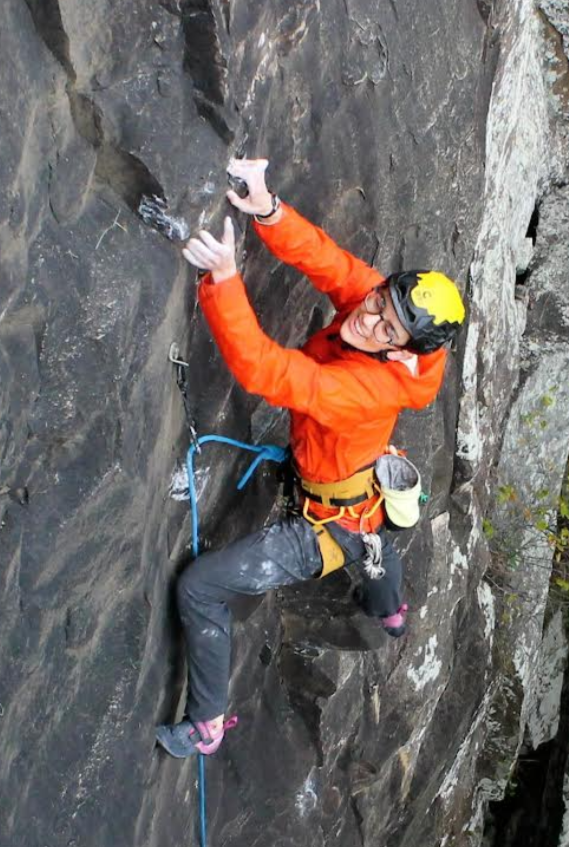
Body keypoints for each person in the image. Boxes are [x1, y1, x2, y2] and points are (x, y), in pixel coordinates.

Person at [156, 158, 466, 758]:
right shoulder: (387, 318)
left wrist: (223, 279)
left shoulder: (367, 388)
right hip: (357, 493)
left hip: (323, 523)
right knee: (374, 550)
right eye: (377, 303)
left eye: (385, 330)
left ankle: (206, 726)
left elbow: (268, 372)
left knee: (200, 588)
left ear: (402, 354)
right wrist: (268, 207)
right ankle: (390, 610)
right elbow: (328, 260)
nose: (367, 321)